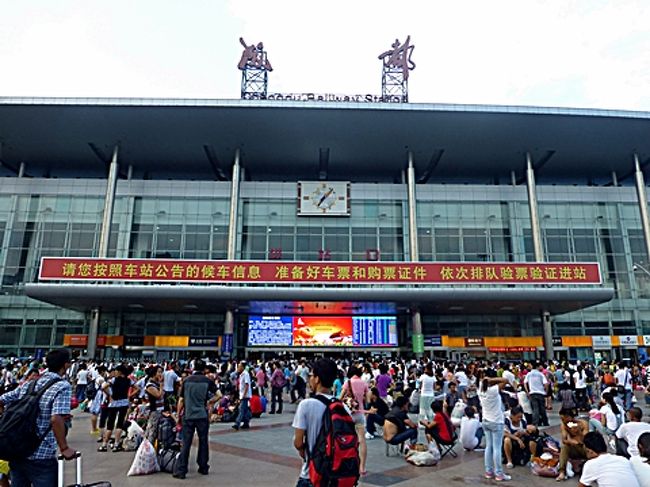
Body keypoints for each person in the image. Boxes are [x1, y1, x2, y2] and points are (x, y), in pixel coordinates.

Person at [0, 349, 76, 486]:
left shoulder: (30, 384)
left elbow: (2, 399)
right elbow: (56, 418)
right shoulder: (62, 386)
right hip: (42, 454)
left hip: (17, 450)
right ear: (65, 365)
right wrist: (64, 448)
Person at [292, 358, 341, 487]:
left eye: (311, 375)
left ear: (317, 379)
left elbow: (298, 442)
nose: (310, 379)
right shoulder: (341, 406)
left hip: (312, 475)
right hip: (335, 476)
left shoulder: (306, 405)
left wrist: (306, 453)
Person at [173, 359, 218, 479]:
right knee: (203, 441)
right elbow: (219, 395)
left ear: (193, 367)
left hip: (188, 416)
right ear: (205, 369)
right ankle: (203, 467)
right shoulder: (208, 381)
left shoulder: (186, 381)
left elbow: (181, 400)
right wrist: (209, 401)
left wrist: (178, 415)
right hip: (202, 415)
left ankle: (181, 470)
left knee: (186, 443)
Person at [478, 373, 511, 481]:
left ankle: (488, 471)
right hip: (496, 421)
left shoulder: (480, 390)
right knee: (497, 448)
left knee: (489, 447)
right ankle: (499, 473)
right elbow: (505, 380)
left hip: (485, 421)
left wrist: (487, 380)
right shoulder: (493, 390)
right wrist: (492, 379)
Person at [341, 365, 370, 476]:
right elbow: (367, 399)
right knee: (362, 440)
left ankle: (346, 464)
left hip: (348, 414)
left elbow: (340, 398)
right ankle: (362, 467)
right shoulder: (363, 383)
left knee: (346, 439)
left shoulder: (348, 382)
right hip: (360, 414)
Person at [98, 365, 132, 452]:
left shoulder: (114, 380)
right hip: (124, 403)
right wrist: (129, 396)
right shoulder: (129, 380)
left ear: (120, 372)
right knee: (120, 424)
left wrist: (109, 394)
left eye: (116, 371)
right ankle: (116, 444)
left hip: (113, 403)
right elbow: (137, 388)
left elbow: (103, 387)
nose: (115, 372)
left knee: (110, 425)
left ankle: (104, 445)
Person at [556, 407, 589, 481]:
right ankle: (562, 472)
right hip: (573, 448)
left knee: (586, 446)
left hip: (584, 448)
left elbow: (586, 440)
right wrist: (571, 441)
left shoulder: (583, 423)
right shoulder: (564, 425)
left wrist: (578, 433)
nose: (563, 420)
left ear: (569, 417)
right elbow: (564, 440)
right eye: (561, 419)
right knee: (564, 447)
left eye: (564, 418)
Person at [144, 365, 165, 444]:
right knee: (152, 431)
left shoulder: (155, 384)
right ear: (154, 373)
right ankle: (148, 449)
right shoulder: (150, 385)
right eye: (159, 372)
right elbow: (159, 395)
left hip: (159, 410)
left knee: (156, 431)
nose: (161, 374)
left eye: (161, 372)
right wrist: (161, 384)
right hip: (154, 411)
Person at [524, 361, 549, 426]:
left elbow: (525, 383)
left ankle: (536, 422)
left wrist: (527, 391)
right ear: (537, 367)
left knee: (535, 409)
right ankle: (545, 422)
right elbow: (546, 384)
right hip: (540, 393)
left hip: (532, 393)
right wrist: (546, 391)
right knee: (542, 408)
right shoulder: (540, 374)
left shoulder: (528, 374)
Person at [233, 361, 252, 431]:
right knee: (245, 410)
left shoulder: (245, 374)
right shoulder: (241, 374)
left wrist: (244, 394)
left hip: (245, 395)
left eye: (239, 366)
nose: (238, 368)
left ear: (243, 367)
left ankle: (237, 423)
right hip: (242, 394)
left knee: (241, 409)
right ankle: (246, 423)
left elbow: (247, 385)